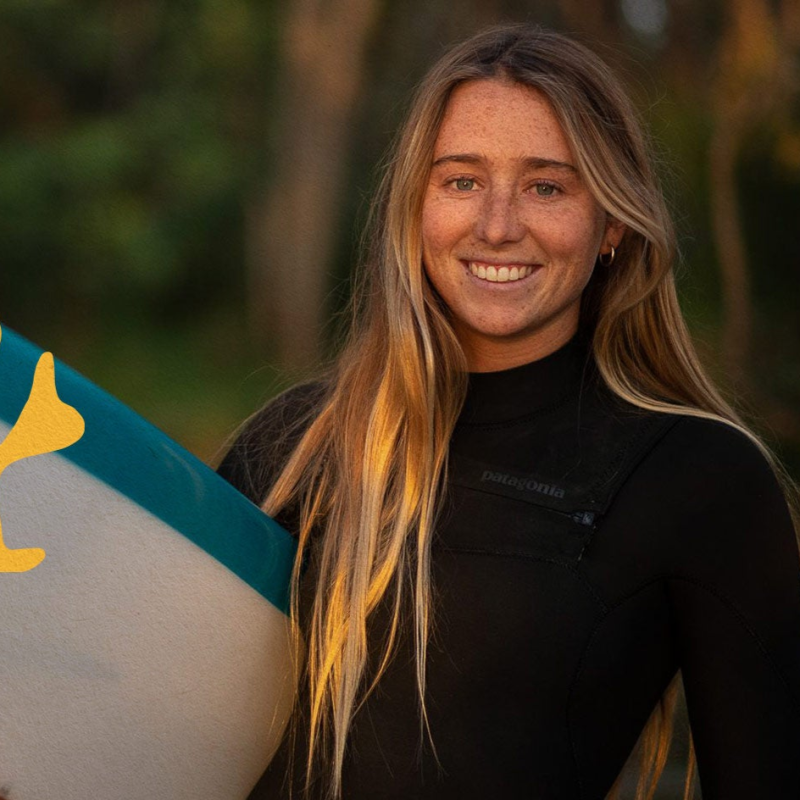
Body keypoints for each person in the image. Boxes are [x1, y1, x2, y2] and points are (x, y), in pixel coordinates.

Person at [216, 23, 800, 800]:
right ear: (414, 207)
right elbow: (154, 712)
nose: (496, 225)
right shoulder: (295, 443)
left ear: (614, 223)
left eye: (547, 186)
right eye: (461, 181)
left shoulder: (697, 478)